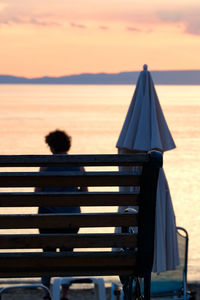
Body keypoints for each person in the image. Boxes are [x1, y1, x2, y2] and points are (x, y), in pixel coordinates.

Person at [35, 129, 88, 300]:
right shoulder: (78, 164)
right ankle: (64, 294)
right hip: (71, 220)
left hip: (48, 219)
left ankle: (46, 292)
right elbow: (85, 193)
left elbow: (37, 193)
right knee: (67, 255)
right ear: (67, 144)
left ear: (51, 146)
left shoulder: (45, 165)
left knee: (48, 254)